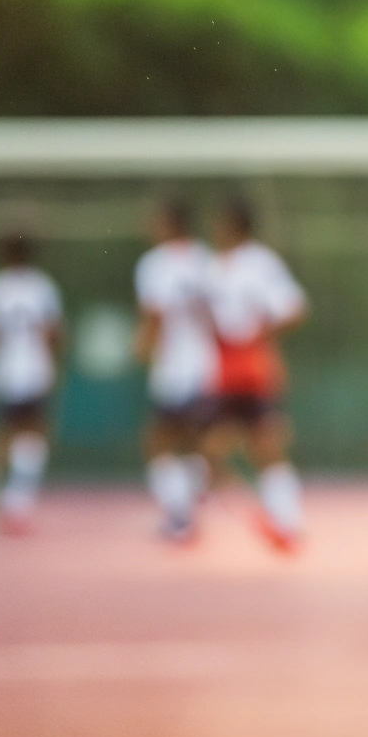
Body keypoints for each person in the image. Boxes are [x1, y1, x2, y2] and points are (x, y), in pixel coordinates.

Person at [206, 196, 310, 552]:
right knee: (212, 450)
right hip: (222, 372)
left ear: (234, 224)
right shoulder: (215, 267)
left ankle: (285, 522)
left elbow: (294, 309)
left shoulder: (261, 263)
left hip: (251, 369)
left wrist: (259, 334)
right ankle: (266, 517)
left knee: (264, 447)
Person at [134, 198, 218, 544]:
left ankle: (180, 515)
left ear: (169, 223)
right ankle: (190, 499)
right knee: (193, 443)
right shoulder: (207, 259)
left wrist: (143, 347)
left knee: (158, 444)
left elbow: (156, 313)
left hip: (174, 368)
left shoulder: (156, 264)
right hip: (207, 366)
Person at [0, 231, 62, 535]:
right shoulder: (42, 287)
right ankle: (17, 501)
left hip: (8, 372)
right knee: (34, 435)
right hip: (36, 370)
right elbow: (53, 333)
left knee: (3, 435)